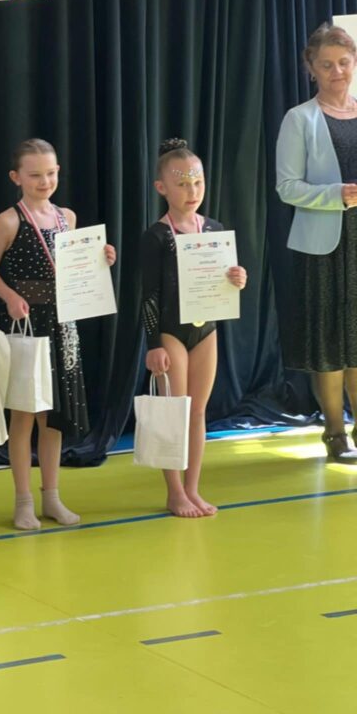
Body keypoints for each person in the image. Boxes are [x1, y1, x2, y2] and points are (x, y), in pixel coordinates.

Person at [0, 138, 116, 530]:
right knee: (25, 414)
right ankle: (23, 501)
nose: (45, 181)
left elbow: (74, 267)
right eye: (35, 175)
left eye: (51, 173)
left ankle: (52, 496)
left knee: (55, 417)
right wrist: (10, 296)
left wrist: (101, 258)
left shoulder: (67, 218)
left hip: (63, 324)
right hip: (28, 325)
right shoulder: (8, 221)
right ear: (16, 177)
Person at [141, 138, 247, 517]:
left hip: (206, 329)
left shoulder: (214, 229)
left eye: (198, 182)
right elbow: (149, 296)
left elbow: (224, 279)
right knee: (176, 412)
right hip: (172, 331)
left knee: (198, 412)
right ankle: (174, 492)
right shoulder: (157, 236)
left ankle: (192, 488)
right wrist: (154, 343)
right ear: (162, 188)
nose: (192, 191)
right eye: (182, 184)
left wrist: (237, 278)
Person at [276, 22, 357, 462]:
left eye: (344, 62)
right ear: (311, 68)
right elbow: (287, 187)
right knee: (329, 344)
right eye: (327, 65)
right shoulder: (299, 119)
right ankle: (334, 433)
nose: (337, 71)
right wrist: (336, 195)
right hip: (323, 248)